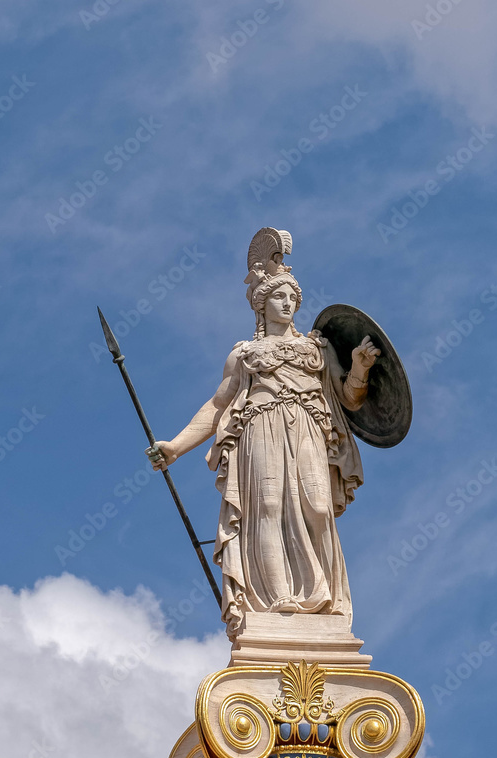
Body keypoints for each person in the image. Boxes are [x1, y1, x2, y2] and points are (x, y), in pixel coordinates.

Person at [148, 229, 380, 638]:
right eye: (279, 296)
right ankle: (277, 598)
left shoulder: (316, 349)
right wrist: (176, 447)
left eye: (293, 297)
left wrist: (360, 369)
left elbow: (349, 398)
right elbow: (218, 406)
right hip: (260, 427)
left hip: (307, 427)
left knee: (319, 507)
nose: (288, 303)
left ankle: (322, 597)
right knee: (268, 506)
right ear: (262, 304)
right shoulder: (245, 354)